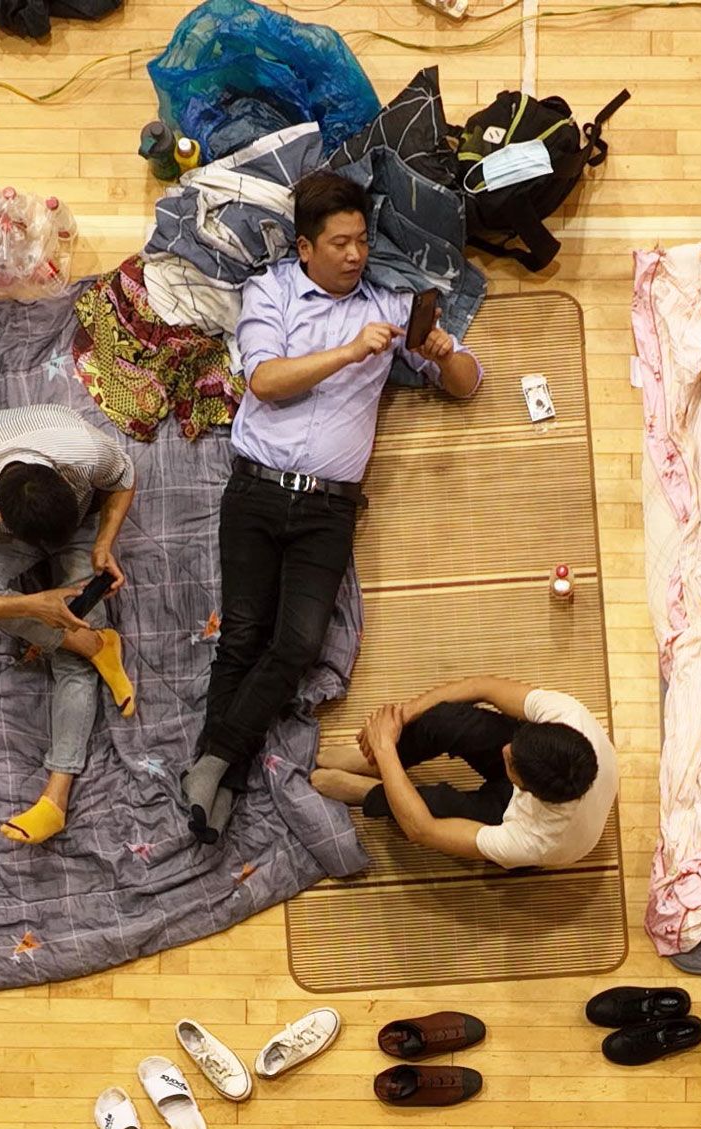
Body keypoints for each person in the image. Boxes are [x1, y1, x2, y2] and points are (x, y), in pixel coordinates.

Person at [183, 173, 484, 840]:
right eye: (340, 243)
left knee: (296, 645)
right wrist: (350, 350)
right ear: (304, 247)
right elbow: (265, 381)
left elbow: (468, 384)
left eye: (361, 241)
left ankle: (213, 761)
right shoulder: (272, 292)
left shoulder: (393, 303)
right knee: (241, 637)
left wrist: (437, 350)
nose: (355, 254)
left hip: (329, 508)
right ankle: (219, 782)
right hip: (256, 488)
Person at [0, 404, 140, 846]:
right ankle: (97, 645)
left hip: (77, 519)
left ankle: (54, 801)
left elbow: (124, 478)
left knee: (69, 656)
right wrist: (37, 605)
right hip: (9, 525)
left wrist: (101, 543)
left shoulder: (83, 451)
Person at [311, 678, 612, 869]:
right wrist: (402, 717)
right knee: (445, 719)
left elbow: (423, 830)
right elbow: (485, 688)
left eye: (511, 763)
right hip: (542, 777)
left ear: (526, 789)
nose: (505, 749)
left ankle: (368, 790)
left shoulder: (535, 838)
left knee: (435, 805)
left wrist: (385, 745)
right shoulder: (570, 719)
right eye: (516, 741)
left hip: (513, 812)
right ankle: (374, 762)